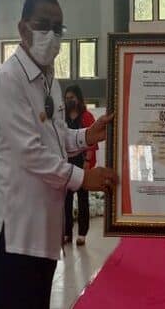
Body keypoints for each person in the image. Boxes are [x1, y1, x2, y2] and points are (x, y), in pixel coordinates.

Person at [0, 0, 117, 309]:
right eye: (43, 25)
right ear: (23, 28)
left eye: (58, 28)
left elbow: (55, 139)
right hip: (15, 234)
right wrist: (84, 178)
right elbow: (30, 153)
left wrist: (87, 135)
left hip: (43, 231)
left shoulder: (49, 81)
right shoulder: (8, 79)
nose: (52, 35)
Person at [62, 85, 98, 247]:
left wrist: (87, 161)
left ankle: (82, 234)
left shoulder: (87, 116)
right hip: (66, 163)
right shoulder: (62, 117)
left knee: (83, 199)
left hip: (83, 162)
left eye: (72, 98)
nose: (69, 101)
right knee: (66, 199)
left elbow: (92, 140)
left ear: (78, 98)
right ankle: (67, 233)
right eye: (66, 98)